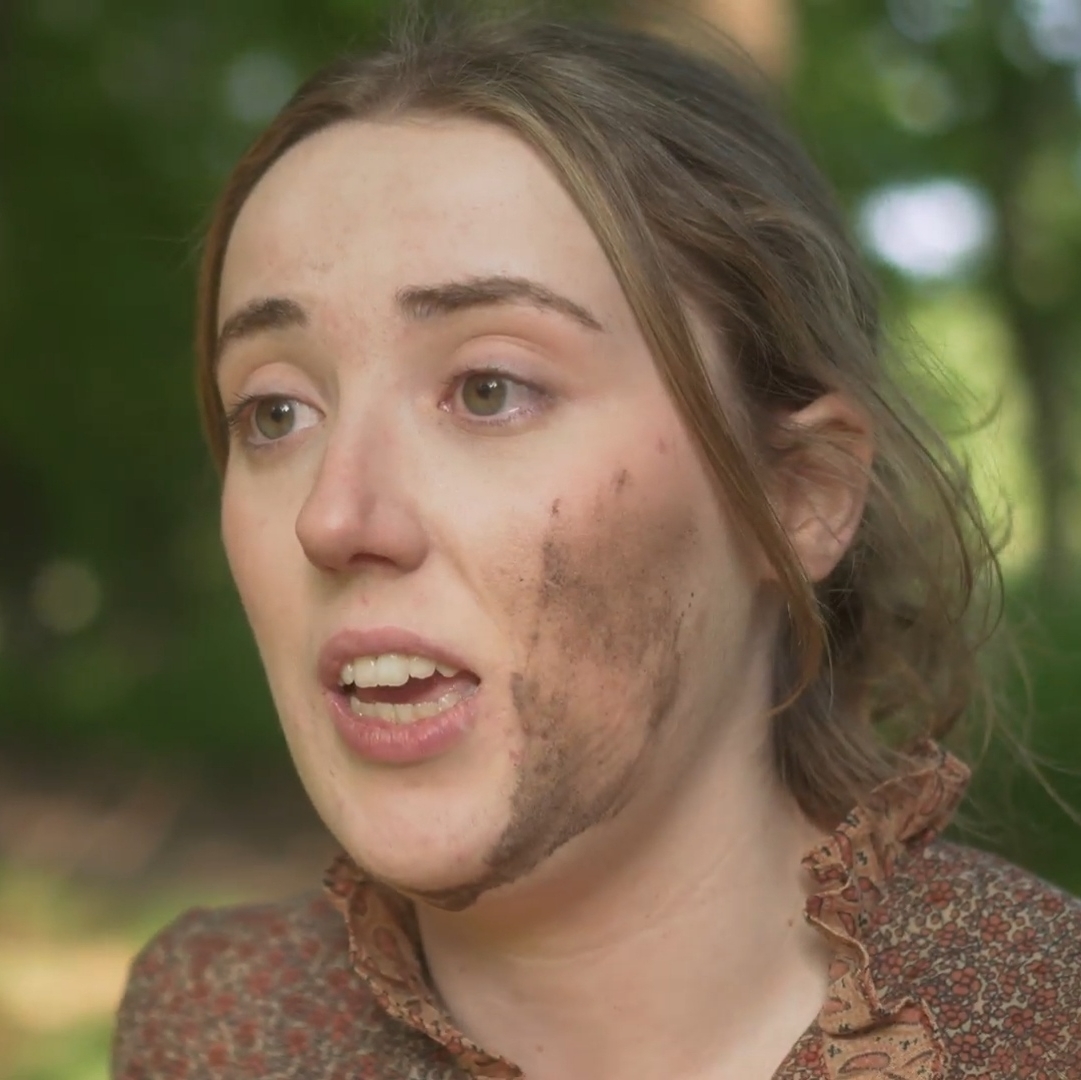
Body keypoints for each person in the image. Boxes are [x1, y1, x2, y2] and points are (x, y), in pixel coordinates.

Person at [111, 10, 1081, 1079]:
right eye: (276, 413)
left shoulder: (1043, 1029)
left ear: (800, 494)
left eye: (489, 388)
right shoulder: (212, 1027)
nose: (333, 519)